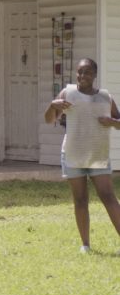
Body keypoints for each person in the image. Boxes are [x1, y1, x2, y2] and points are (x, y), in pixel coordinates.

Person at [44, 58, 120, 254]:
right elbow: (49, 120)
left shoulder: (105, 97)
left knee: (109, 196)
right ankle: (85, 245)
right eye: (79, 72)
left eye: (86, 72)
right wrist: (53, 105)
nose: (82, 76)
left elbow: (119, 122)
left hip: (98, 153)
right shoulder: (68, 93)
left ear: (94, 75)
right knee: (80, 199)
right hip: (73, 153)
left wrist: (111, 121)